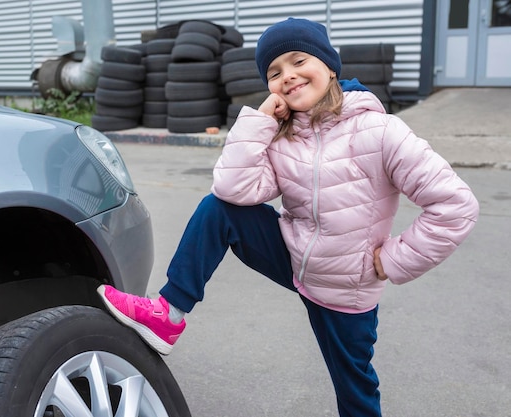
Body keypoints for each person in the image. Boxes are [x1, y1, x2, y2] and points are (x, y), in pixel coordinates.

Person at [97, 17, 479, 417]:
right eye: (275, 72)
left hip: (346, 288)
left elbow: (455, 206)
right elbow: (233, 190)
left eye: (299, 61)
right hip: (294, 258)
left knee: (355, 391)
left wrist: (395, 259)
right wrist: (261, 121)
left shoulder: (381, 132)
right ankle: (168, 315)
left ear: (330, 66)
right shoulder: (282, 136)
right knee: (218, 209)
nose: (288, 77)